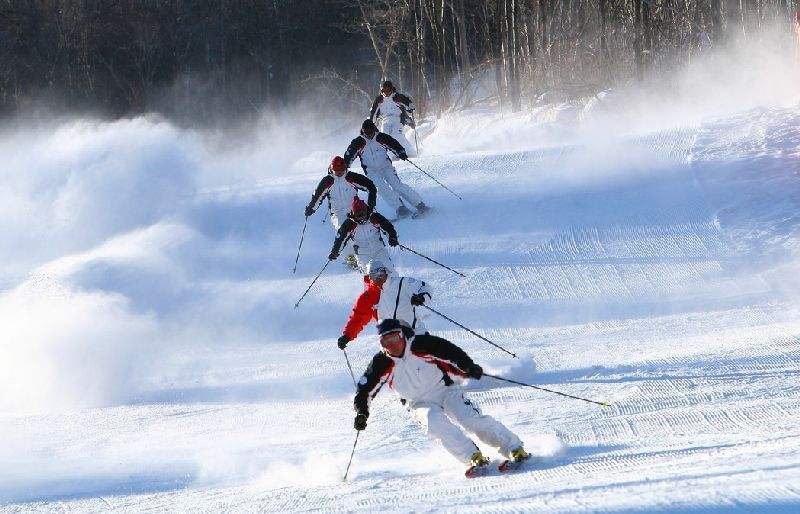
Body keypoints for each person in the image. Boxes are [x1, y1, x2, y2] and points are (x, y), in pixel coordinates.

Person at [353, 318, 531, 477]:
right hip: (418, 403)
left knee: (469, 418)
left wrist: (468, 367)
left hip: (444, 390)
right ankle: (473, 457)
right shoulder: (381, 362)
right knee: (434, 422)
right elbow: (364, 390)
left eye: (395, 337)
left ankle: (514, 448)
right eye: (386, 341)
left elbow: (450, 352)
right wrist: (362, 413)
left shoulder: (420, 345)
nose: (392, 344)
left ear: (402, 335)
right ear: (381, 343)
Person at [344, 119, 429, 220]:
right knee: (382, 188)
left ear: (374, 129)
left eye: (371, 132)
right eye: (366, 132)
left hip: (386, 166)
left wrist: (400, 152)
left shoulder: (380, 137)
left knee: (397, 185)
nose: (369, 134)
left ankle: (419, 204)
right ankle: (400, 208)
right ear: (363, 131)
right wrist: (345, 165)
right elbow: (349, 154)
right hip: (371, 171)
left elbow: (394, 144)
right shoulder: (359, 142)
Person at [336, 260, 430, 350]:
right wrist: (347, 336)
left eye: (380, 273)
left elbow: (423, 287)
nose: (378, 277)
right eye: (374, 275)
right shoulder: (368, 297)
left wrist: (422, 297)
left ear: (385, 271)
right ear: (369, 278)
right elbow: (358, 317)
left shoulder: (401, 283)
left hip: (415, 332)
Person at [304, 155, 377, 230]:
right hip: (337, 213)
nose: (339, 173)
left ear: (345, 168)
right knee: (343, 231)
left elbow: (370, 186)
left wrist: (370, 205)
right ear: (332, 169)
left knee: (358, 233)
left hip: (354, 210)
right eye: (336, 170)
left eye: (341, 170)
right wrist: (311, 208)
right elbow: (317, 196)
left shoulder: (351, 177)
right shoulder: (328, 181)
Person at [328, 197, 398, 272]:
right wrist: (334, 252)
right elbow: (340, 239)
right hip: (363, 254)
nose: (361, 218)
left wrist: (392, 238)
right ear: (354, 214)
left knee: (390, 271)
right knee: (371, 277)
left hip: (379, 250)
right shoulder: (349, 224)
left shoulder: (374, 217)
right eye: (358, 215)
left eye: (362, 214)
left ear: (366, 211)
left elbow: (388, 227)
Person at [369, 80, 416, 156]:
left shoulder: (397, 97)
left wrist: (410, 107)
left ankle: (410, 152)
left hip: (398, 119)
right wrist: (371, 122)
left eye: (388, 90)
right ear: (382, 90)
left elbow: (408, 102)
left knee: (396, 135)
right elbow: (373, 112)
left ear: (391, 89)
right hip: (385, 120)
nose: (387, 93)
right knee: (384, 136)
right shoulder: (379, 99)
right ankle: (390, 155)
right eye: (385, 90)